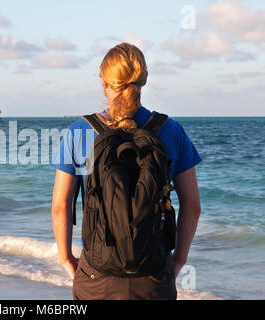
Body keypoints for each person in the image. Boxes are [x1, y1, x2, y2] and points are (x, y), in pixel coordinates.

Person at [51, 43, 202, 300]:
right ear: (143, 81)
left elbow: (61, 205)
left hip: (96, 273)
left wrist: (66, 259)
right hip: (153, 273)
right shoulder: (172, 130)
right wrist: (178, 261)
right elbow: (192, 205)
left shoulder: (78, 131)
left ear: (104, 82)